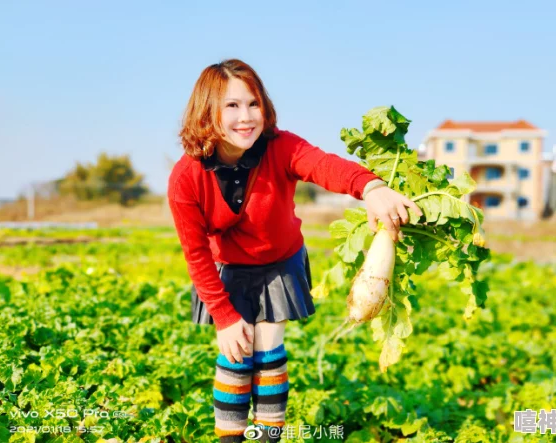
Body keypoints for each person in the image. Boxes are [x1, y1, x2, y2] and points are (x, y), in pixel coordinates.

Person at [167, 59, 423, 443]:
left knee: (268, 348)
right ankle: (230, 439)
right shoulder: (186, 178)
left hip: (278, 263)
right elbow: (196, 253)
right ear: (207, 112)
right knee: (237, 352)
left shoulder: (281, 147)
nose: (246, 117)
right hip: (229, 266)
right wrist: (223, 315)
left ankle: (266, 438)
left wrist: (372, 188)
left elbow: (325, 167)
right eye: (231, 106)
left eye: (253, 104)